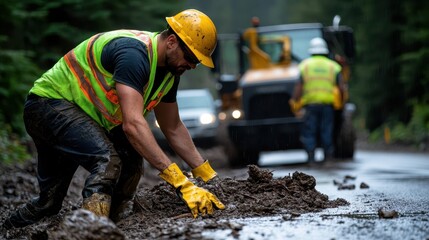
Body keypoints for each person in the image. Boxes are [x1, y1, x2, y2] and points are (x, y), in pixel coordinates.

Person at [3, 9, 225, 229]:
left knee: (123, 169)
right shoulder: (134, 55)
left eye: (197, 61)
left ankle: (111, 226)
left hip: (84, 117)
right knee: (107, 160)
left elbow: (173, 127)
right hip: (47, 107)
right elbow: (133, 125)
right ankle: (93, 231)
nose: (192, 65)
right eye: (190, 57)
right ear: (172, 42)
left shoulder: (170, 72)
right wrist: (181, 183)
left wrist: (206, 175)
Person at [290, 37, 344, 164]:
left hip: (310, 105)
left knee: (310, 130)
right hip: (327, 105)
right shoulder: (334, 66)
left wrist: (294, 100)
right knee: (326, 130)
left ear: (311, 51)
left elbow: (299, 86)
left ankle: (311, 157)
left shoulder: (304, 65)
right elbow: (341, 87)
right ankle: (328, 157)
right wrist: (341, 103)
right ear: (325, 51)